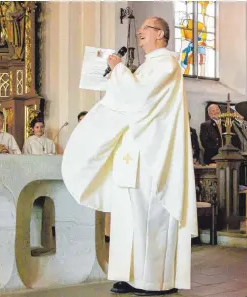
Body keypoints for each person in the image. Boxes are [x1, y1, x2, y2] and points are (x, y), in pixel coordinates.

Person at [62, 17, 197, 296]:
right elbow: (127, 98)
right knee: (127, 216)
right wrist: (114, 74)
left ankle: (153, 280)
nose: (139, 32)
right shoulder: (149, 66)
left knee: (150, 216)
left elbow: (140, 98)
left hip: (153, 156)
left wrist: (118, 69)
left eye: (145, 28)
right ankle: (129, 274)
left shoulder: (168, 64)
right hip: (132, 152)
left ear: (160, 33)